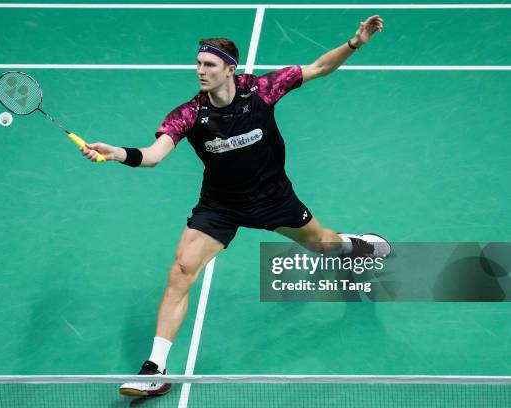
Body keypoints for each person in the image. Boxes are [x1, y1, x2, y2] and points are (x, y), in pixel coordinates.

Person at [82, 15, 388, 398]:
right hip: (221, 206)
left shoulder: (261, 89)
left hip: (273, 198)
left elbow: (320, 67)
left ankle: (350, 246)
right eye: (197, 64)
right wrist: (117, 154)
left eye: (208, 64)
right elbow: (155, 155)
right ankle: (155, 368)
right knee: (181, 271)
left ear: (231, 68)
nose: (200, 71)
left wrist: (355, 42)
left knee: (323, 245)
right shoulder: (189, 113)